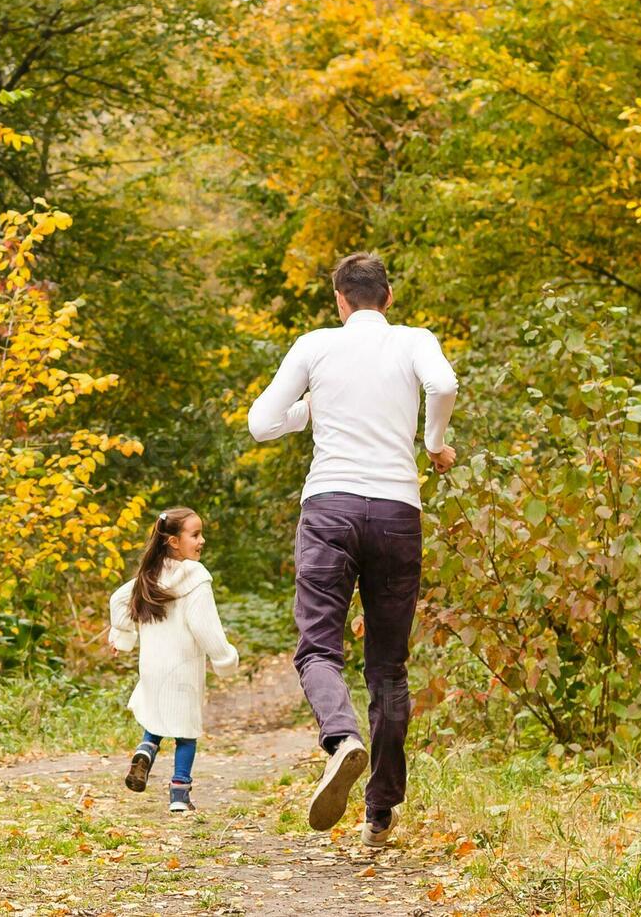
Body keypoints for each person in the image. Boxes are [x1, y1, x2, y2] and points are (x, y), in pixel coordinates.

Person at [247, 252, 459, 847]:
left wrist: (306, 412)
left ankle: (341, 739)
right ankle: (380, 814)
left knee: (318, 647)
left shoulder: (315, 345)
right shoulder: (415, 340)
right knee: (388, 666)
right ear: (387, 299)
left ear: (340, 301)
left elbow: (261, 423)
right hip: (396, 510)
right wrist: (434, 442)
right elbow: (444, 383)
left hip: (329, 510)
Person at [109, 507, 240, 813]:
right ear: (173, 542)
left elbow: (118, 600)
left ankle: (145, 751)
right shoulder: (196, 579)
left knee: (155, 718)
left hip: (152, 668)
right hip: (182, 669)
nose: (202, 540)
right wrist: (225, 658)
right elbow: (206, 628)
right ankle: (179, 795)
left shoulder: (150, 577)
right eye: (195, 535)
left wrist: (120, 635)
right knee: (185, 732)